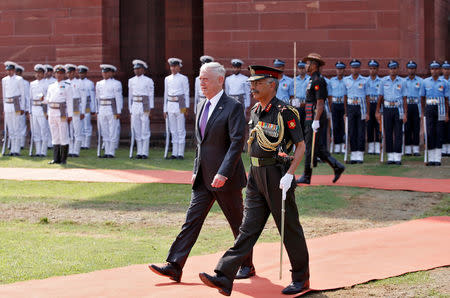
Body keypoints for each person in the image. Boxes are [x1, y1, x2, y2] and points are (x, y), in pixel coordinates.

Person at [198, 65, 309, 296]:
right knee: (247, 228)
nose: (252, 87)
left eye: (258, 83)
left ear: (272, 84)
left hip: (277, 176)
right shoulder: (256, 110)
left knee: (288, 228)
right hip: (256, 176)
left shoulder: (285, 111)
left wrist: (291, 174)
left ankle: (301, 278)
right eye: (252, 83)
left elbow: (300, 146)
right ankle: (224, 275)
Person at [149, 62, 254, 283]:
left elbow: (237, 143)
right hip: (203, 178)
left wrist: (224, 172)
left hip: (226, 179)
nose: (201, 82)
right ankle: (174, 265)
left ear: (220, 80)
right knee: (191, 221)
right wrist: (196, 169)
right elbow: (200, 144)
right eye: (199, 78)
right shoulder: (200, 106)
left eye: (205, 78)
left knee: (237, 223)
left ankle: (247, 265)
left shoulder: (233, 106)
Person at [296, 53, 345, 185]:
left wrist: (316, 120)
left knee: (309, 147)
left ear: (315, 65)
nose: (306, 65)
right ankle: (337, 166)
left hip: (314, 117)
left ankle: (306, 176)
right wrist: (298, 104)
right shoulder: (311, 79)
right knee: (316, 148)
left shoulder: (318, 80)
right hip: (309, 115)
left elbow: (320, 103)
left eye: (308, 63)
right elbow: (310, 101)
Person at [376, 60, 407, 165]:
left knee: (398, 132)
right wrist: (377, 111)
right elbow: (380, 97)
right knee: (388, 131)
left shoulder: (402, 81)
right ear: (388, 69)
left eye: (394, 68)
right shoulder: (383, 81)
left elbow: (404, 98)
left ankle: (397, 156)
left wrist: (405, 114)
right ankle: (390, 156)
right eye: (391, 68)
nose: (393, 70)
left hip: (398, 108)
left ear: (397, 69)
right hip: (387, 108)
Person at [420, 61, 449, 166]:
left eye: (436, 68)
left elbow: (446, 100)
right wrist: (423, 112)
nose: (434, 71)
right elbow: (422, 98)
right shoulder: (425, 82)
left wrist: (446, 114)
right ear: (430, 70)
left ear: (440, 70)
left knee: (439, 132)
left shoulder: (444, 83)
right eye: (432, 69)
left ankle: (437, 158)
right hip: (430, 109)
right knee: (430, 132)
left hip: (440, 109)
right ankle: (431, 158)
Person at [46, 65, 73, 164]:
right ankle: (56, 158)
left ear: (64, 74)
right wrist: (43, 100)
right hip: (52, 111)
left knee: (63, 135)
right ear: (55, 74)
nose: (59, 75)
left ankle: (63, 159)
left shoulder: (67, 85)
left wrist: (70, 115)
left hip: (61, 112)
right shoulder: (51, 86)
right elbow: (48, 99)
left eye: (61, 73)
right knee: (55, 135)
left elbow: (69, 101)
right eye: (57, 73)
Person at [343, 59, 369, 164]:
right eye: (353, 67)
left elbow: (367, 97)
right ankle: (353, 154)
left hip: (361, 106)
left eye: (357, 67)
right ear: (350, 68)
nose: (355, 69)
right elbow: (345, 97)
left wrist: (367, 112)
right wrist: (345, 111)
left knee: (361, 131)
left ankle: (360, 154)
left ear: (360, 68)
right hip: (350, 106)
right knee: (352, 131)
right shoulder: (346, 80)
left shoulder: (364, 80)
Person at [163, 58, 189, 159]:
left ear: (179, 67)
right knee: (173, 130)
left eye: (175, 66)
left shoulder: (183, 78)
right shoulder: (167, 79)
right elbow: (165, 94)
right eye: (171, 66)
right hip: (170, 105)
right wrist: (165, 109)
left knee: (180, 129)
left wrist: (186, 108)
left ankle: (180, 153)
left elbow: (186, 93)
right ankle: (174, 153)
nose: (173, 68)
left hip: (180, 104)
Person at [128, 59, 154, 159]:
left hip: (144, 105)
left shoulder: (148, 80)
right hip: (135, 105)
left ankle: (145, 152)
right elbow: (130, 96)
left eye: (138, 69)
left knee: (145, 129)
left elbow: (150, 95)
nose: (136, 71)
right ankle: (139, 151)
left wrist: (150, 108)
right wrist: (130, 109)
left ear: (143, 69)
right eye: (135, 69)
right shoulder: (131, 80)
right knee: (137, 129)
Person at [96, 64, 122, 158]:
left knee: (112, 130)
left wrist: (118, 111)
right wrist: (97, 110)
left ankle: (111, 152)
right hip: (102, 107)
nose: (104, 74)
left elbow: (118, 98)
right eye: (103, 72)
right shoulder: (99, 83)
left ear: (111, 73)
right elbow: (97, 98)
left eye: (107, 72)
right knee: (104, 131)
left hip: (112, 108)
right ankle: (106, 151)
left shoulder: (116, 83)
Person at [2, 61, 25, 156]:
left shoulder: (19, 79)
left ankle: (17, 149)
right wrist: (4, 108)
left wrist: (22, 107)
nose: (9, 72)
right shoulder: (4, 80)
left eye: (11, 70)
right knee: (10, 129)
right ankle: (12, 149)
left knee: (16, 128)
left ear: (14, 70)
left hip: (16, 104)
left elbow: (22, 94)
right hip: (8, 104)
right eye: (8, 70)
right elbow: (3, 95)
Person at [65, 64, 86, 157]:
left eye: (71, 72)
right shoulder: (64, 83)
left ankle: (76, 151)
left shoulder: (79, 83)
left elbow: (83, 98)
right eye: (68, 72)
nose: (69, 74)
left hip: (76, 108)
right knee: (69, 131)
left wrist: (83, 111)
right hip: (66, 109)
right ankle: (70, 150)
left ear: (74, 72)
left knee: (77, 130)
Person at [29, 64, 49, 157]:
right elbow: (29, 98)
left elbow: (49, 98)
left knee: (43, 130)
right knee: (35, 131)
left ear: (43, 74)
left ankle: (43, 151)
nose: (38, 74)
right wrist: (29, 110)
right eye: (36, 72)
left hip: (42, 108)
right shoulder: (32, 84)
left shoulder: (47, 84)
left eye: (40, 73)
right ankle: (37, 151)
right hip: (34, 107)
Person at [403, 61, 423, 156]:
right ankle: (407, 149)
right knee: (407, 127)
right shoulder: (403, 81)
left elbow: (423, 96)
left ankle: (415, 149)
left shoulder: (420, 81)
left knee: (416, 127)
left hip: (416, 105)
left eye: (413, 68)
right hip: (407, 104)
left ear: (416, 69)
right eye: (410, 68)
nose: (411, 70)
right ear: (407, 69)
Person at [327, 61, 347, 154]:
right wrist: (331, 106)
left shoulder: (347, 80)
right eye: (338, 69)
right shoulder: (332, 81)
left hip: (343, 104)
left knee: (343, 125)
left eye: (341, 69)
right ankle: (337, 145)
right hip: (335, 104)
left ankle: (343, 145)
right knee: (335, 125)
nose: (339, 71)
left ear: (344, 70)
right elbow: (329, 96)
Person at [77, 65, 96, 149]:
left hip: (87, 105)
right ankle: (81, 143)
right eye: (80, 73)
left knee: (86, 124)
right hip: (78, 105)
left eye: (83, 73)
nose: (81, 75)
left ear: (86, 73)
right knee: (79, 125)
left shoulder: (89, 83)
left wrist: (93, 108)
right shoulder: (76, 82)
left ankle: (86, 144)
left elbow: (92, 97)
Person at [365, 59, 382, 155]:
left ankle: (378, 145)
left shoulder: (381, 81)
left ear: (377, 69)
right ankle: (371, 146)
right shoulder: (365, 81)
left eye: (374, 68)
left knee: (378, 125)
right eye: (371, 68)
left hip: (377, 104)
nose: (372, 70)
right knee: (369, 125)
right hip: (369, 104)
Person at [15, 65, 29, 149]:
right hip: (13, 105)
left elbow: (27, 96)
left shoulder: (25, 83)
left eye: (18, 73)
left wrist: (26, 109)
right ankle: (13, 143)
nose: (17, 74)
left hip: (21, 105)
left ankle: (21, 144)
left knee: (21, 125)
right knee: (14, 125)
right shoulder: (12, 81)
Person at [440, 61, 450, 156]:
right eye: (445, 69)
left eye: (448, 69)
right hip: (442, 106)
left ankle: (449, 148)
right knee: (442, 127)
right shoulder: (439, 81)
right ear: (442, 70)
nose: (446, 71)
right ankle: (443, 148)